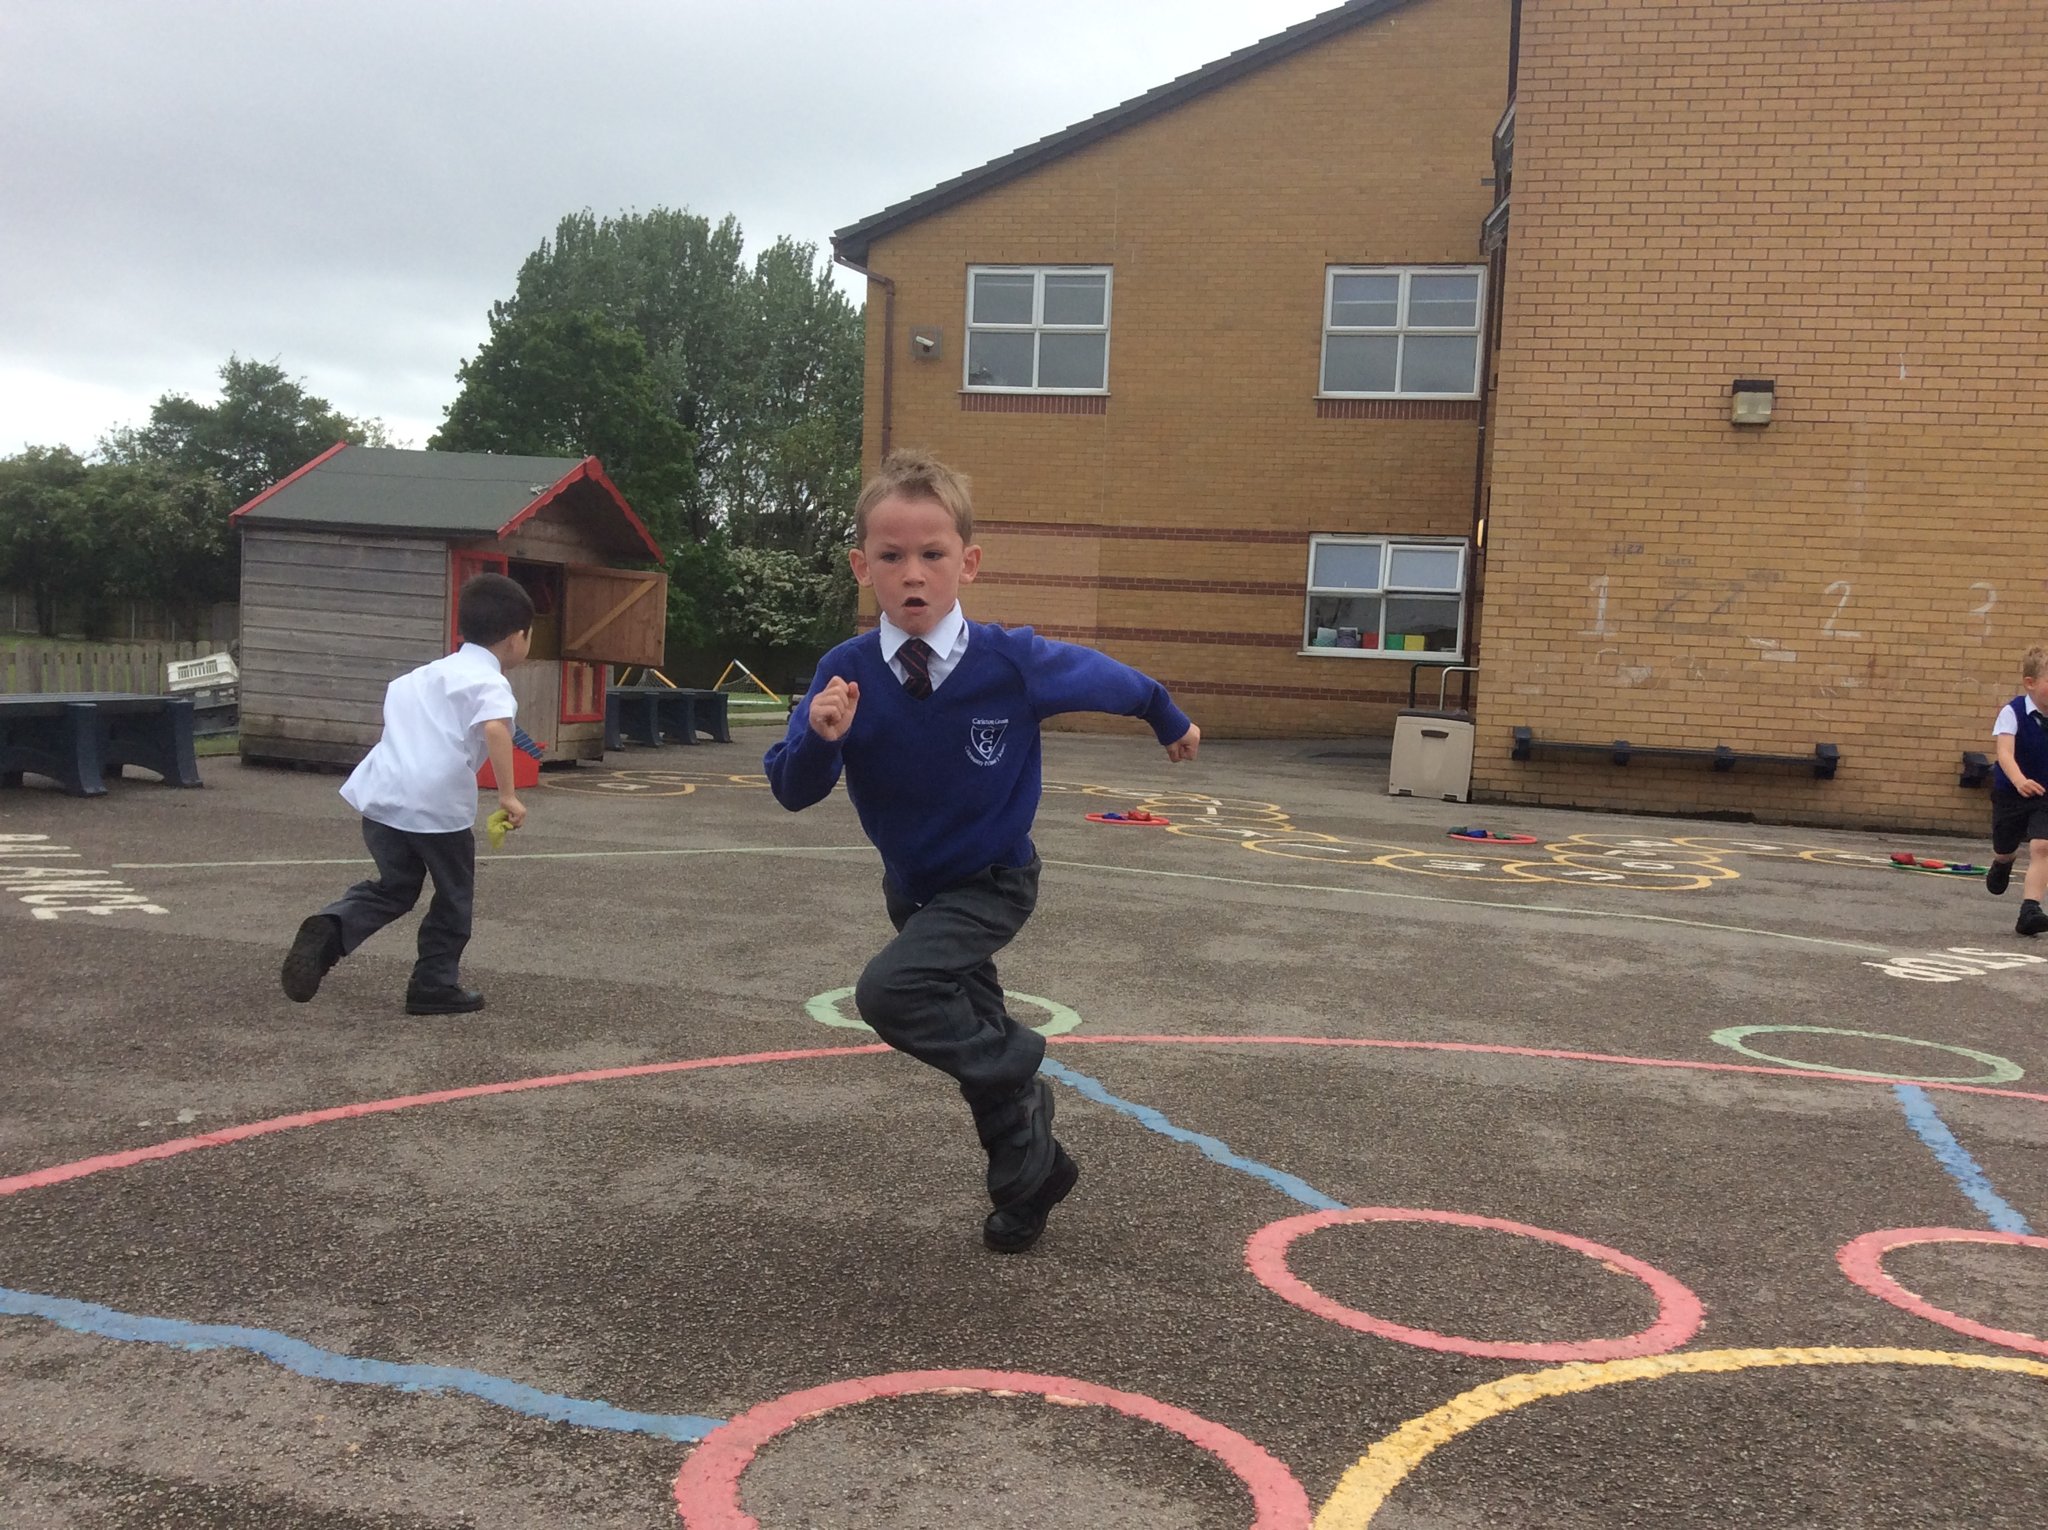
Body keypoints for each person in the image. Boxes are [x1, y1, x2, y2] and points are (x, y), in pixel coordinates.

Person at [765, 449, 1200, 1254]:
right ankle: (1030, 1179)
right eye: (891, 557)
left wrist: (1167, 717)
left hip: (992, 878)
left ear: (967, 561)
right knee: (969, 1025)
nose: (913, 574)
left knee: (893, 993)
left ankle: (1021, 1064)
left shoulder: (1011, 661)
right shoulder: (845, 673)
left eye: (932, 554)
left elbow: (1108, 678)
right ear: (863, 567)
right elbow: (792, 787)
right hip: (914, 889)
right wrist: (823, 740)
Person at [280, 572, 534, 1013]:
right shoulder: (489, 683)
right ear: (515, 639)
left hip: (382, 797)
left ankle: (329, 929)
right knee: (453, 897)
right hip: (437, 808)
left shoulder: (416, 678)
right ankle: (433, 985)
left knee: (394, 888)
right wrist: (508, 795)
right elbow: (495, 726)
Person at [1987, 644, 2048, 936]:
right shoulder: (2012, 712)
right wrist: (2019, 780)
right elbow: (2005, 753)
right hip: (2011, 791)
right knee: (2005, 846)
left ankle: (2030, 910)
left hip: (2045, 793)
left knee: (2043, 846)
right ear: (2030, 683)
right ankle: (2002, 862)